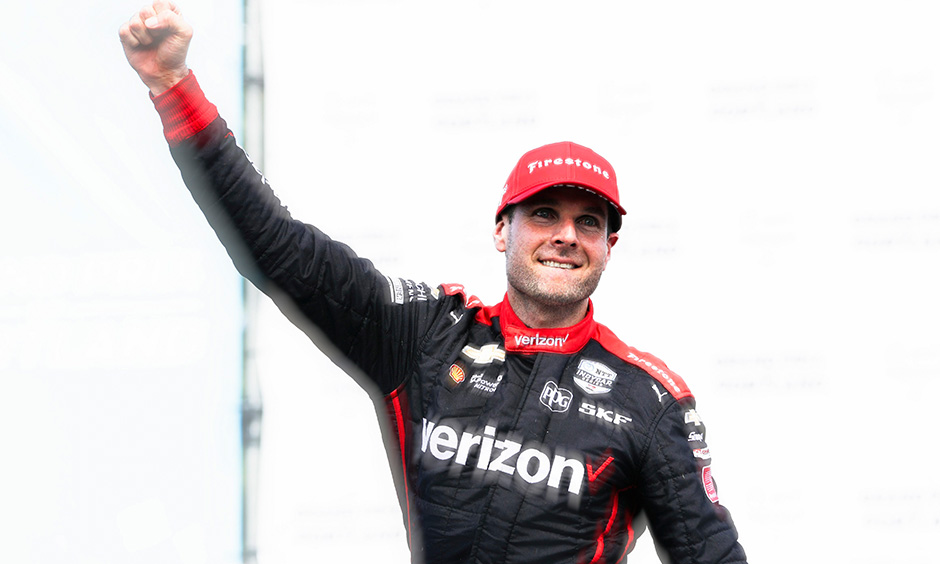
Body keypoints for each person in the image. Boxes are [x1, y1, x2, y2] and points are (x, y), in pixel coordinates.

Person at [120, 3, 748, 563]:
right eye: (543, 214)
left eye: (589, 222)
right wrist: (174, 87)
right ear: (501, 231)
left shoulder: (650, 399)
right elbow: (279, 249)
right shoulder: (427, 335)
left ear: (609, 246)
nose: (566, 235)